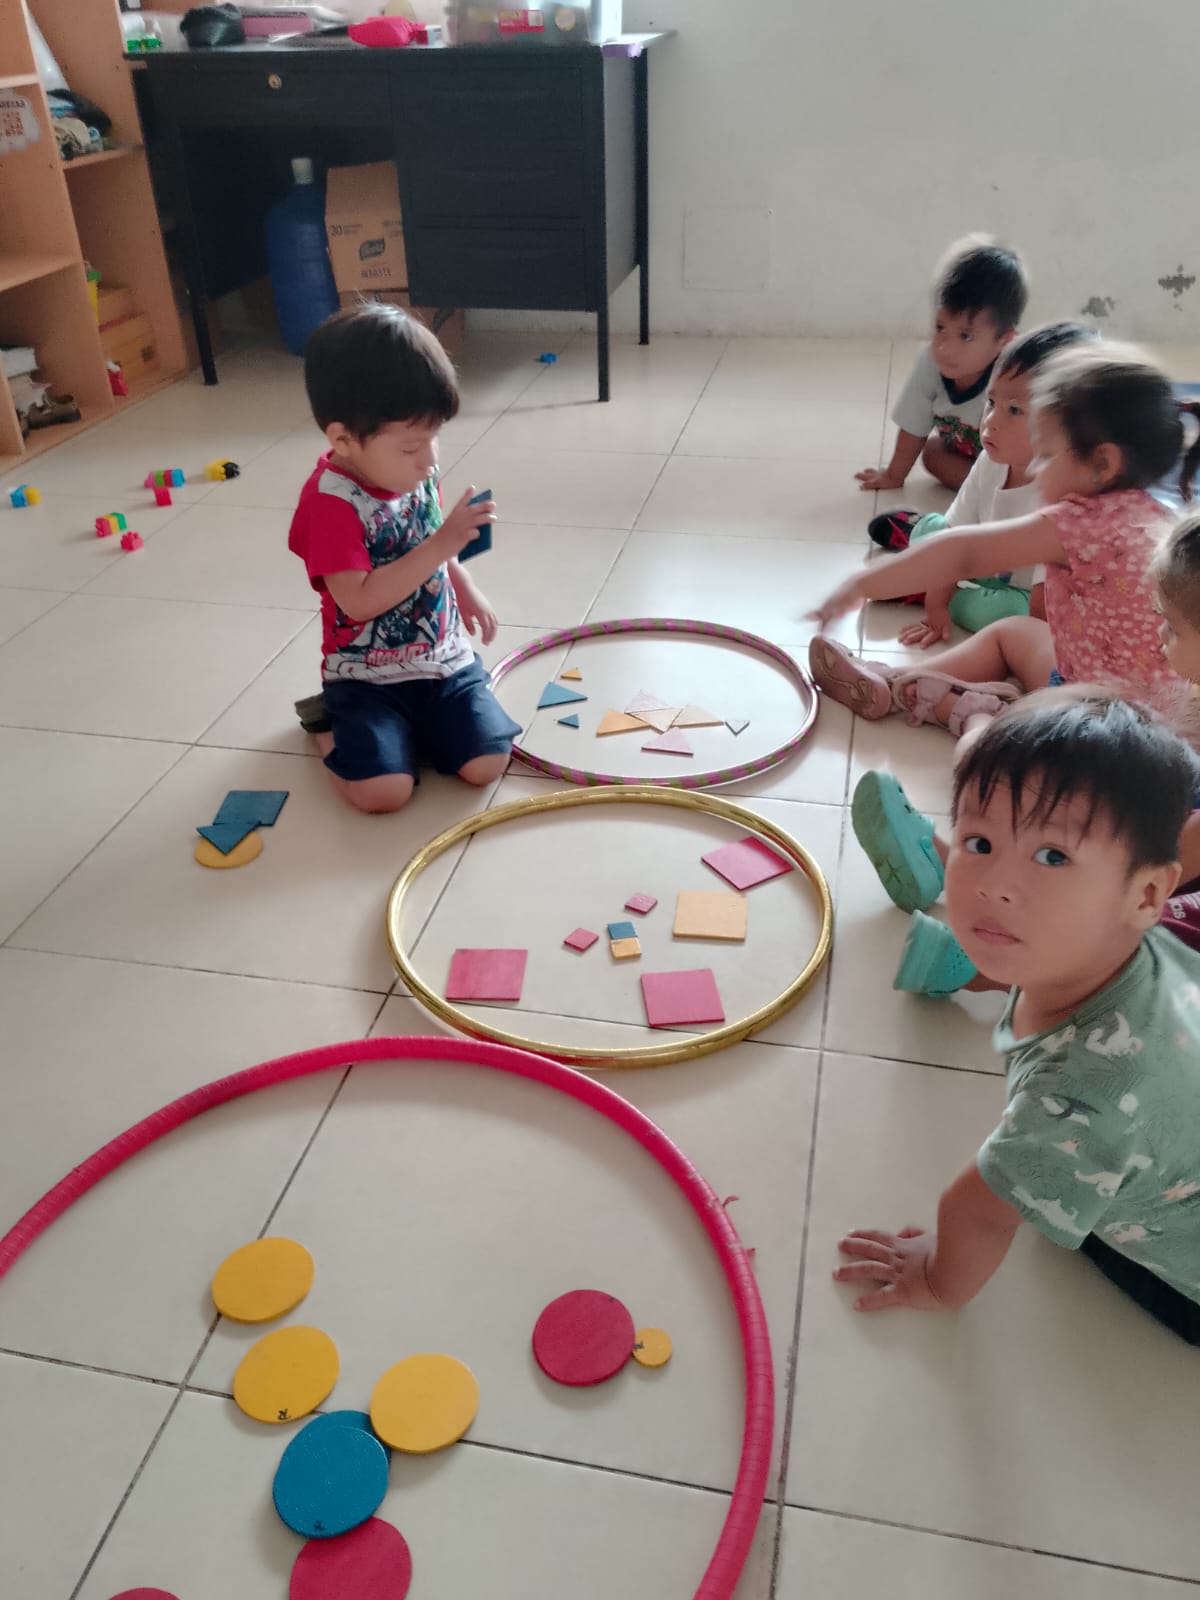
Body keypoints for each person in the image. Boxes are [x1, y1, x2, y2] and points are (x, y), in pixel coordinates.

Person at [833, 691, 1200, 1345]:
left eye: (1053, 856)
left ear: (1148, 892)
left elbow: (978, 1210)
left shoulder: (1081, 1096)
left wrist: (939, 1280)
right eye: (978, 842)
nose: (993, 884)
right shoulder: (1133, 947)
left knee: (1057, 1213)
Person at [810, 342, 1198, 743]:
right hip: (1150, 717)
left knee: (996, 746)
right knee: (1014, 631)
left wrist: (862, 584)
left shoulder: (1077, 524)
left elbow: (962, 553)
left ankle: (946, 704)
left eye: (1046, 455)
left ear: (1103, 463)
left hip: (1096, 732)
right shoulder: (1161, 519)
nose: (1036, 469)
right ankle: (905, 684)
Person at [849, 504, 1200, 932]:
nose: (1159, 634)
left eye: (1172, 627)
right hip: (1151, 794)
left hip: (1157, 866)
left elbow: (1156, 870)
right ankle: (931, 700)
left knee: (1055, 818)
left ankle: (953, 863)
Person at [287, 301, 518, 815]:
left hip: (442, 662)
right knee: (384, 794)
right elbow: (358, 602)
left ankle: (409, 734)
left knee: (487, 763)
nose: (430, 460)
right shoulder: (330, 504)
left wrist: (463, 585)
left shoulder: (412, 473)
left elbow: (429, 539)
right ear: (343, 439)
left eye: (434, 438)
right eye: (412, 446)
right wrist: (442, 545)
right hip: (365, 677)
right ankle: (328, 727)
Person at [866, 320, 1097, 634]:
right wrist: (935, 606)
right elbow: (954, 540)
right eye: (991, 402)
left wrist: (941, 597)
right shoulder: (991, 459)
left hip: (1022, 590)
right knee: (941, 537)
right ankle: (919, 531)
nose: (990, 421)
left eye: (1013, 410)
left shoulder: (1065, 495)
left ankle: (936, 584)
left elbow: (1041, 616)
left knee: (1009, 617)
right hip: (974, 555)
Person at [855, 236, 1028, 495]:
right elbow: (914, 422)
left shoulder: (1014, 377)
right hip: (974, 461)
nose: (945, 347)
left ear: (1004, 341)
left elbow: (1030, 449)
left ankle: (1004, 495)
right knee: (933, 453)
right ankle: (986, 493)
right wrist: (894, 475)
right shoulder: (931, 360)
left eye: (965, 336)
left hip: (1014, 463)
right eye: (940, 328)